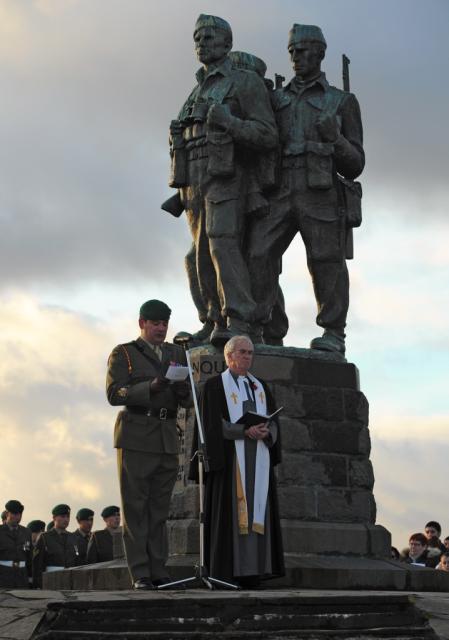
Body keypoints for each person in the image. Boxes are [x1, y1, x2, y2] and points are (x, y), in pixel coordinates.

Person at [248, 23, 365, 355]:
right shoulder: (275, 99)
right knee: (259, 253)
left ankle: (333, 333)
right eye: (291, 51)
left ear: (320, 52)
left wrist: (336, 138)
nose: (296, 56)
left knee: (325, 261)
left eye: (302, 50)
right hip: (280, 188)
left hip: (321, 191)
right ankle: (263, 327)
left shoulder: (341, 102)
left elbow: (355, 163)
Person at [167, 14, 278, 345]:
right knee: (198, 255)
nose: (202, 42)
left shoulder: (244, 82)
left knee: (222, 245)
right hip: (193, 181)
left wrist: (229, 122)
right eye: (197, 37)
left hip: (227, 176)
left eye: (210, 36)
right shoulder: (197, 89)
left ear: (228, 44)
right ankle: (214, 319)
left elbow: (267, 134)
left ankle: (239, 318)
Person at [106, 299, 191, 590]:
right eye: (155, 323)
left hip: (167, 436)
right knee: (135, 508)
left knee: (159, 510)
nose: (161, 328)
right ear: (142, 323)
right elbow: (114, 393)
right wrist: (149, 388)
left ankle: (159, 571)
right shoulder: (125, 353)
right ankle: (140, 573)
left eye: (165, 323)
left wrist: (182, 390)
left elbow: (189, 399)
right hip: (137, 434)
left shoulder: (177, 352)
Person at [191, 335, 284, 588]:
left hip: (259, 460)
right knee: (235, 515)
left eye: (250, 353)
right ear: (229, 356)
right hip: (232, 463)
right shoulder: (214, 387)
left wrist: (268, 432)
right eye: (242, 352)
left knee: (258, 513)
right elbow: (211, 426)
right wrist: (243, 432)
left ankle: (256, 570)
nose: (247, 356)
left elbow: (273, 421)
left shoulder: (261, 387)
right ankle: (230, 571)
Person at [32, 504, 81, 588]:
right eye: (62, 516)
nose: (66, 519)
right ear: (54, 518)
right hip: (51, 581)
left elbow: (77, 561)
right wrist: (39, 585)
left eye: (67, 517)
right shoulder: (45, 537)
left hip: (71, 582)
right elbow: (37, 564)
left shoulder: (73, 538)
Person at [0, 500, 32, 588]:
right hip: (3, 575)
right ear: (7, 513)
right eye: (14, 514)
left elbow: (29, 556)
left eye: (19, 514)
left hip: (22, 575)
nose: (17, 517)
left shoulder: (26, 532)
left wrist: (30, 577)